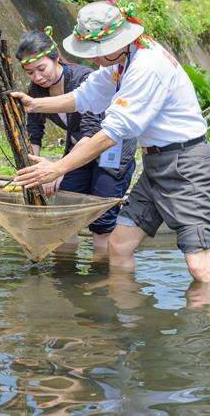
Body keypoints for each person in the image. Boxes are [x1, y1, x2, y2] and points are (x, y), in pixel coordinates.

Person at [11, 1, 210, 284]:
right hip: (155, 166)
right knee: (119, 246)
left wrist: (57, 168)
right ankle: (124, 318)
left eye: (97, 52)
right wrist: (35, 104)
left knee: (199, 266)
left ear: (117, 41)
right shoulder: (124, 60)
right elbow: (85, 96)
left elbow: (111, 132)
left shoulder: (146, 66)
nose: (94, 60)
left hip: (185, 166)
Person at [17, 27, 135, 251]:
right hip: (77, 151)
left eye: (41, 68)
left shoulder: (83, 78)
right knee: (64, 216)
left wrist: (58, 169)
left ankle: (102, 277)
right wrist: (34, 169)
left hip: (111, 150)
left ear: (56, 58)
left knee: (102, 221)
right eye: (30, 73)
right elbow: (34, 130)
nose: (38, 77)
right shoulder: (36, 90)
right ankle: (65, 279)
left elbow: (91, 131)